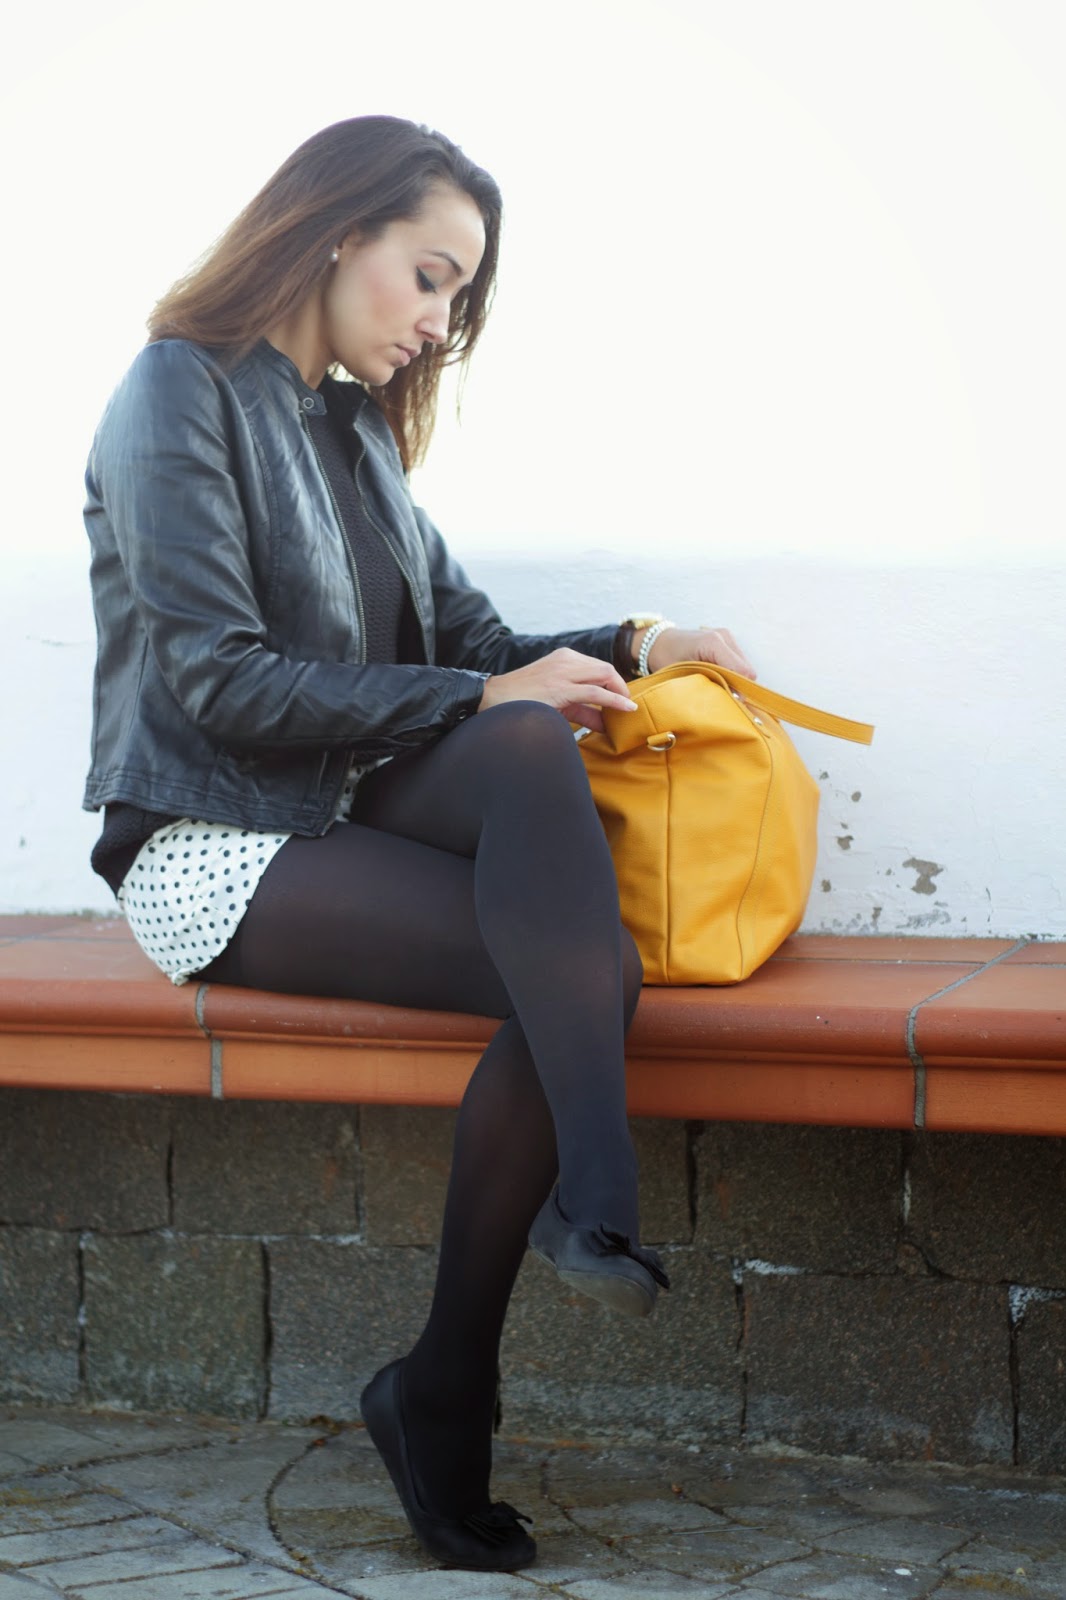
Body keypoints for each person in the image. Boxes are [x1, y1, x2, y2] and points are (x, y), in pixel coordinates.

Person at [82, 115, 756, 1573]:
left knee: (565, 895)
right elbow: (215, 681)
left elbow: (479, 650)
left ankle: (447, 1375)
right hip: (209, 840)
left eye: (461, 296)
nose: (441, 324)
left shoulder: (351, 434)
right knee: (567, 929)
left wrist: (641, 643)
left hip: (335, 809)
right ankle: (589, 1208)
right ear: (337, 231)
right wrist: (485, 699)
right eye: (432, 277)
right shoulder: (173, 389)